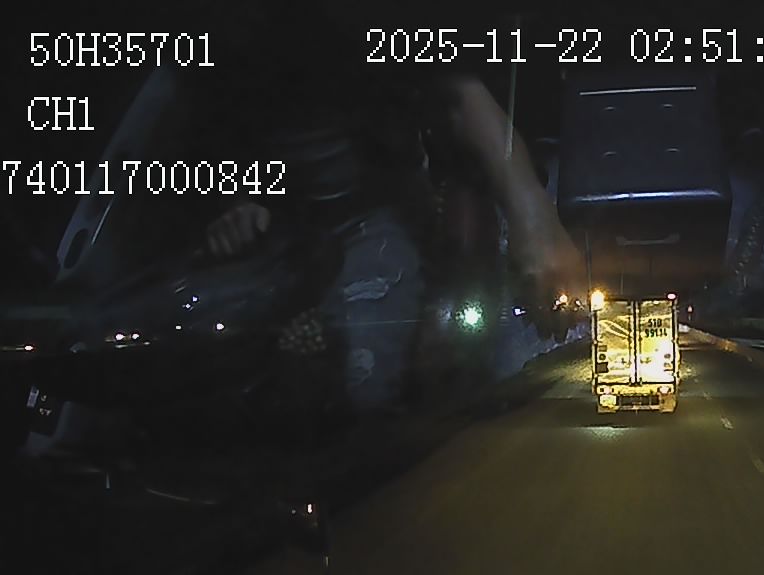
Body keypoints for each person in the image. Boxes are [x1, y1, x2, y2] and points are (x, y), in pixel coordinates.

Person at [186, 6, 581, 428]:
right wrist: (240, 201)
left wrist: (532, 215)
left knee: (369, 373)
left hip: (380, 214)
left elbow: (458, 95)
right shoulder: (209, 47)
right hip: (286, 232)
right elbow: (213, 134)